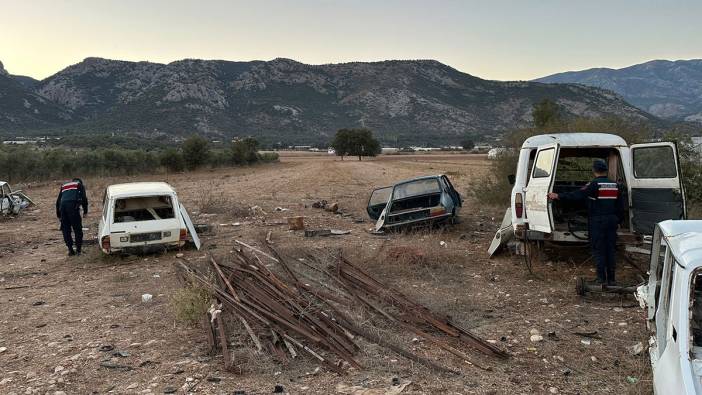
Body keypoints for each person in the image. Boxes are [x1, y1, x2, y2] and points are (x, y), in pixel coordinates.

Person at [547, 160, 624, 285]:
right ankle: (611, 279)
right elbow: (620, 207)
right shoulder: (615, 185)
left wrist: (558, 196)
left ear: (594, 171)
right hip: (611, 221)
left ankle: (600, 279)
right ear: (606, 170)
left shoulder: (593, 184)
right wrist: (619, 221)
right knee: (610, 249)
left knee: (599, 249)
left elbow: (577, 195)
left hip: (598, 221)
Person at [55, 178, 88, 256]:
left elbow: (58, 202)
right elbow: (84, 198)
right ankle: (78, 251)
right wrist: (85, 211)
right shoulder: (79, 185)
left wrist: (59, 215)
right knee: (77, 229)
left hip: (63, 207)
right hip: (72, 206)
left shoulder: (64, 186)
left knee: (66, 229)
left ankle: (70, 250)